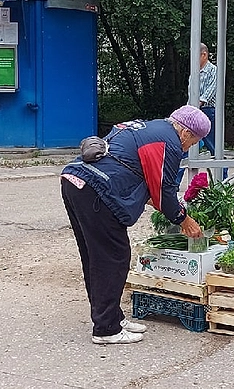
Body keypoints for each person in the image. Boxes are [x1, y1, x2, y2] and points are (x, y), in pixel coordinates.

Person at [61, 106, 209, 345]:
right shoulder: (169, 142)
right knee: (114, 257)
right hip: (97, 190)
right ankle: (106, 329)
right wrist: (184, 219)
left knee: (96, 257)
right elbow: (164, 190)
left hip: (75, 181)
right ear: (185, 132)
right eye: (194, 141)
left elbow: (137, 172)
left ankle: (111, 317)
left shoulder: (147, 127)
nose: (189, 147)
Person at [195, 43, 218, 155]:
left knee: (213, 145)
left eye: (195, 56)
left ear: (204, 55)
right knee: (188, 145)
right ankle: (176, 173)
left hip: (208, 110)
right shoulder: (194, 72)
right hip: (195, 110)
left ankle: (223, 172)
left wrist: (197, 104)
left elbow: (211, 90)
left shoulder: (214, 70)